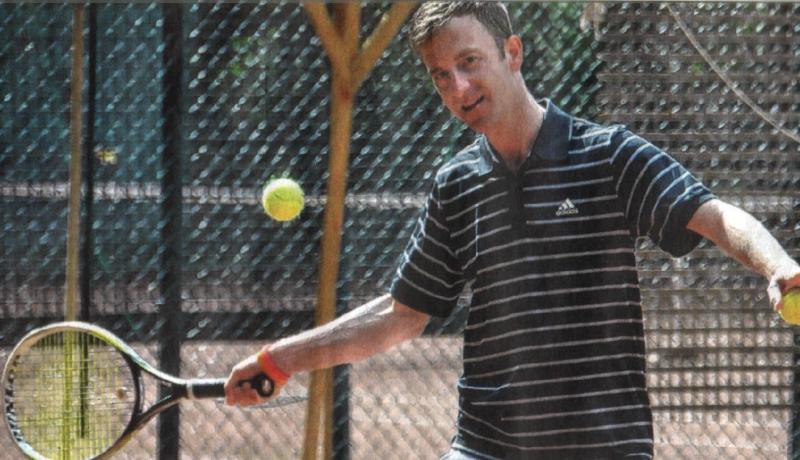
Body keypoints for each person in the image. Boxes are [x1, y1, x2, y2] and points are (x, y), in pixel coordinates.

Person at [225, 2, 800, 458]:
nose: (457, 88)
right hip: (485, 445)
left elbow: (714, 215)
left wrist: (778, 266)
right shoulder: (456, 184)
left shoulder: (609, 155)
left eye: (469, 62)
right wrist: (280, 359)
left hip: (605, 446)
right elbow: (402, 314)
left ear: (512, 53)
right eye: (440, 76)